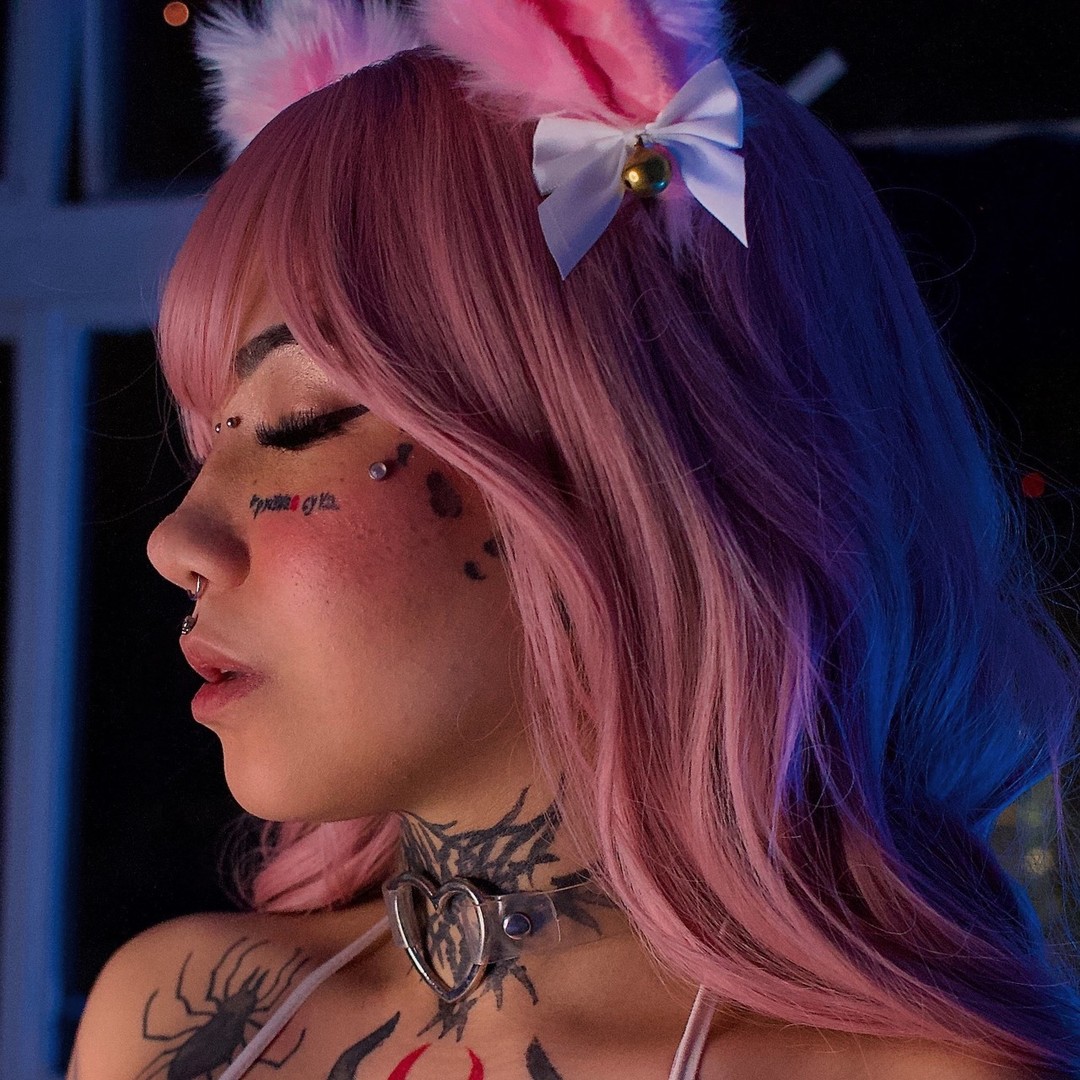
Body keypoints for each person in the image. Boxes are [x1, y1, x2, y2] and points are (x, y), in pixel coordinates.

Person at [68, 0, 1080, 1077]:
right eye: (208, 441)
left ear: (628, 465)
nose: (177, 538)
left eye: (297, 420)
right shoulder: (161, 1023)